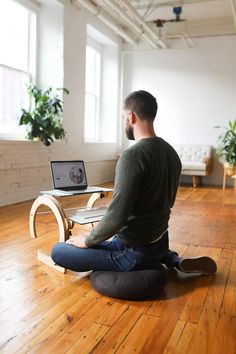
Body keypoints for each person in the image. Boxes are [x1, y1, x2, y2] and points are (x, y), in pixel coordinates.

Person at [51, 90, 217, 275]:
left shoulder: (132, 155)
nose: (124, 122)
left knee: (59, 251)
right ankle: (172, 259)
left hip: (134, 253)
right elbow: (167, 202)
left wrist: (87, 240)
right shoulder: (171, 153)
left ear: (131, 116)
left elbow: (117, 215)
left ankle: (152, 262)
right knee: (114, 240)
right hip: (160, 239)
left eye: (123, 117)